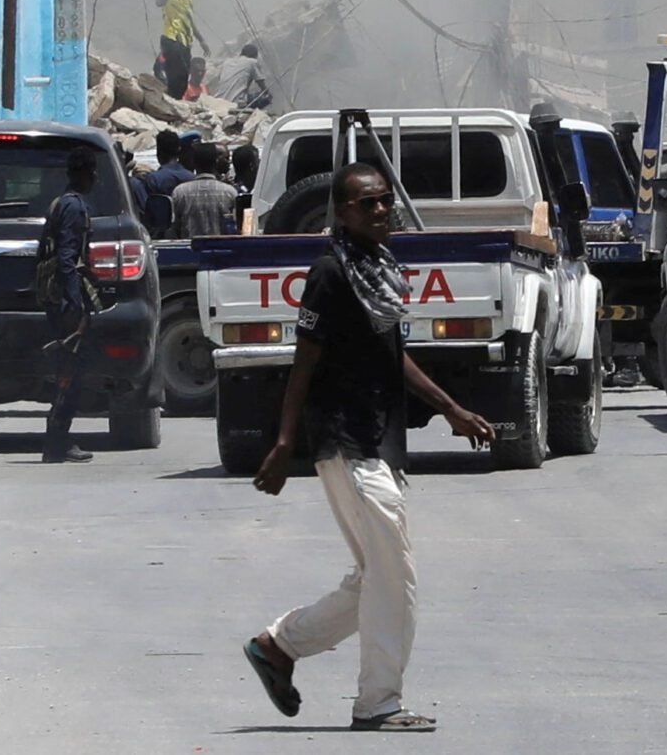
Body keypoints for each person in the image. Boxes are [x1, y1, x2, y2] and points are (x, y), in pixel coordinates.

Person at [242, 164, 495, 734]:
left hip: (377, 439)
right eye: (366, 204)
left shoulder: (377, 270)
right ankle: (378, 702)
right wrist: (285, 443)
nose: (381, 211)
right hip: (343, 439)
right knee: (393, 573)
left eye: (385, 201)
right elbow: (303, 363)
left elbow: (392, 356)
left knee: (374, 574)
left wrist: (451, 408)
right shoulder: (331, 274)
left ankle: (278, 646)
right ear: (341, 213)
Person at [39, 149, 99, 465]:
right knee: (70, 370)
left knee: (69, 369)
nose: (95, 177)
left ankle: (58, 439)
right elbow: (67, 258)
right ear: (84, 174)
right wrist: (75, 304)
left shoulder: (59, 203)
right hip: (67, 303)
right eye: (92, 171)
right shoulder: (74, 207)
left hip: (57, 298)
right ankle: (57, 441)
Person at [156, 0, 207, 100]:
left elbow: (189, 19)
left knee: (183, 81)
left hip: (186, 41)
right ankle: (167, 105)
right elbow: (159, 1)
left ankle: (173, 106)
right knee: (174, 76)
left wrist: (201, 40)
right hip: (171, 37)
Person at [172, 141, 239, 239]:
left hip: (189, 251)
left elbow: (175, 227)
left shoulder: (179, 192)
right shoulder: (230, 192)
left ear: (193, 162)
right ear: (216, 162)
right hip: (223, 250)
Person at [215, 42, 271, 112]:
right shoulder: (252, 62)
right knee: (265, 98)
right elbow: (261, 84)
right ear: (255, 55)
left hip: (218, 100)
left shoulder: (227, 62)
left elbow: (220, 79)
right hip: (236, 102)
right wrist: (268, 94)